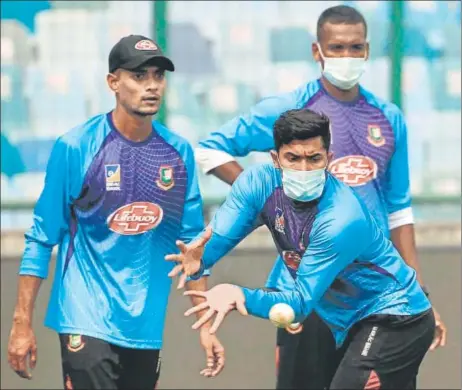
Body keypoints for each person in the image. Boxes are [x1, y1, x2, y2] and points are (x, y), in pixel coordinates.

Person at [194, 5, 446, 389]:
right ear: (318, 51)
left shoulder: (388, 117)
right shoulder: (290, 109)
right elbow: (212, 150)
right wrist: (268, 197)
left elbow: (399, 211)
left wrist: (420, 290)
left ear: (367, 50)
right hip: (305, 288)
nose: (346, 57)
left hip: (372, 294)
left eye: (355, 48)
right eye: (337, 47)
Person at [7, 34, 224, 390]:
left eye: (158, 75)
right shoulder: (77, 146)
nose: (151, 86)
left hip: (145, 327)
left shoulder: (178, 153)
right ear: (113, 82)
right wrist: (21, 323)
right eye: (139, 76)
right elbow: (42, 237)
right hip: (85, 316)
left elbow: (192, 247)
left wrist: (205, 328)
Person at [167, 108, 436, 390]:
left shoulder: (341, 219)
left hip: (396, 318)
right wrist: (199, 259)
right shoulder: (258, 184)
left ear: (329, 160)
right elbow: (215, 240)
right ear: (276, 159)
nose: (304, 169)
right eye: (293, 158)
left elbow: (297, 304)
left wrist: (238, 295)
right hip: (347, 320)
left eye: (314, 158)